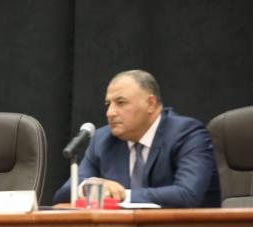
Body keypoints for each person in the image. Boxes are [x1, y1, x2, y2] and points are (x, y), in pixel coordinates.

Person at [53, 69, 221, 208]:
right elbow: (62, 194)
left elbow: (187, 195)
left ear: (150, 104)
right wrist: (88, 187)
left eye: (120, 102)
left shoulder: (187, 134)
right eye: (108, 104)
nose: (110, 113)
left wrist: (121, 195)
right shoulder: (103, 140)